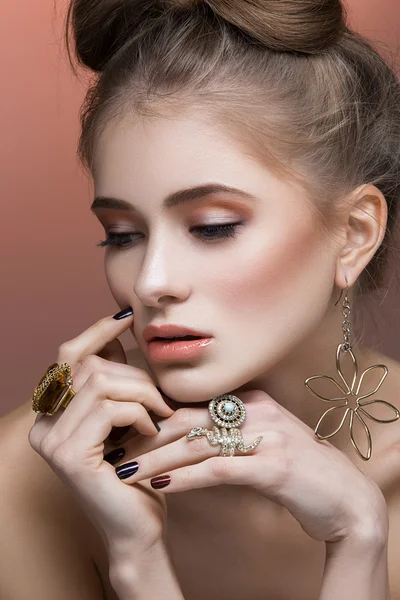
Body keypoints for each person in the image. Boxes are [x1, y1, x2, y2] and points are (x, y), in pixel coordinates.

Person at [1, 0, 400, 598]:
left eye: (213, 226)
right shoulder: (31, 476)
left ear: (354, 234)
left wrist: (358, 537)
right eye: (122, 235)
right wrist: (138, 560)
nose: (150, 281)